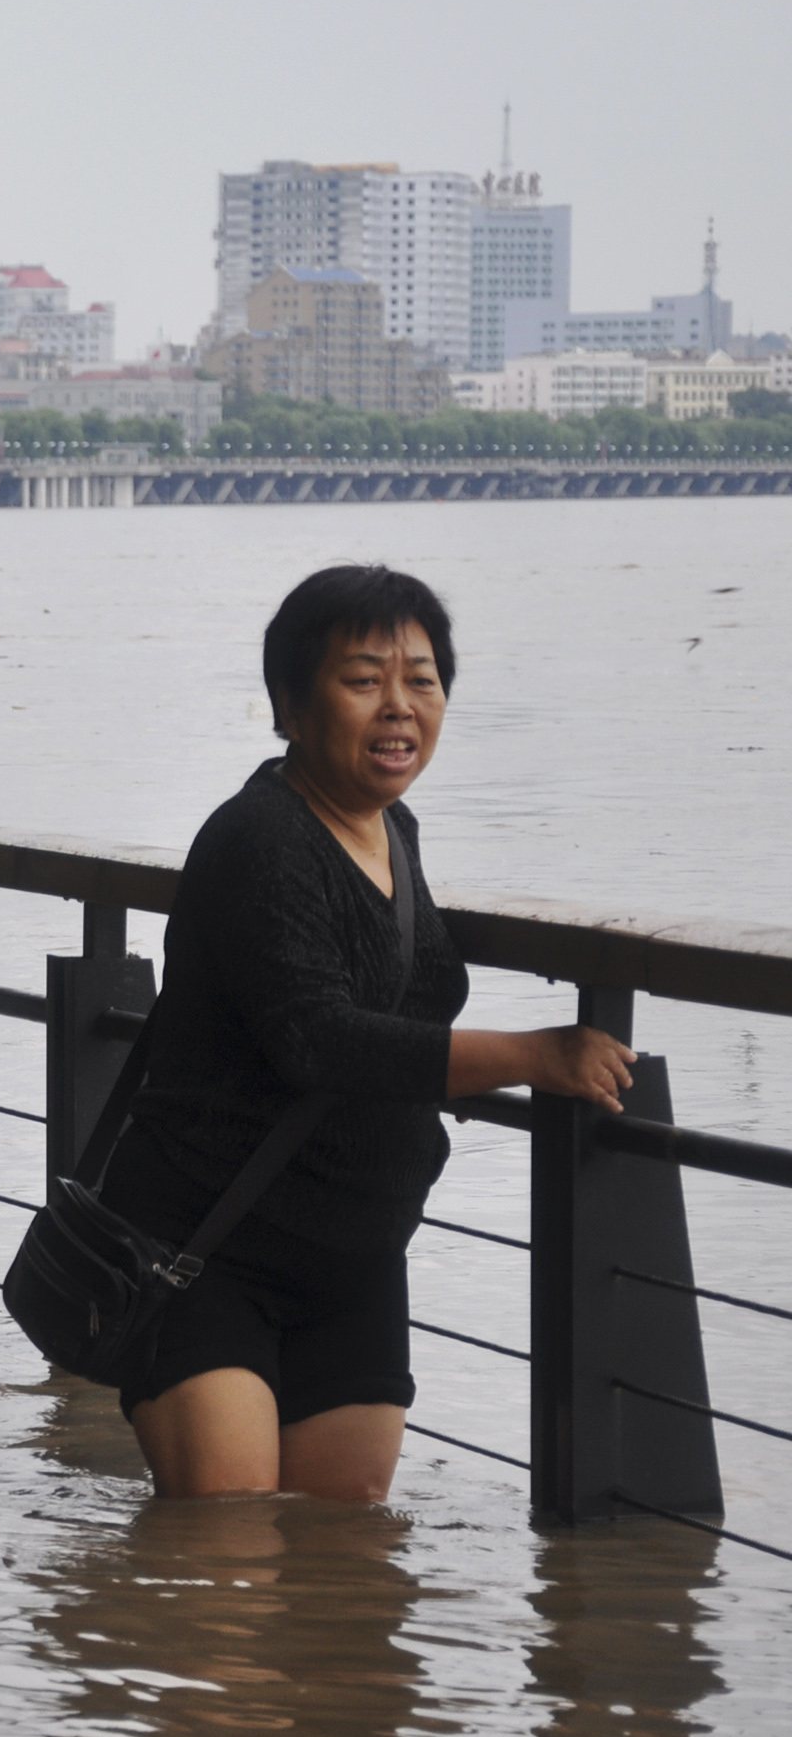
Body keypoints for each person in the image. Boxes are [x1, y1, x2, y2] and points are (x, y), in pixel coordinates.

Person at [107, 564, 637, 1502]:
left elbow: (395, 1010)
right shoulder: (258, 837)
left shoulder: (397, 833)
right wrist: (531, 1056)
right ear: (290, 705)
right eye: (364, 680)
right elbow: (321, 1038)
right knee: (225, 1565)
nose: (400, 708)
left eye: (422, 681)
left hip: (353, 1261)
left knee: (343, 1574)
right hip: (207, 1249)